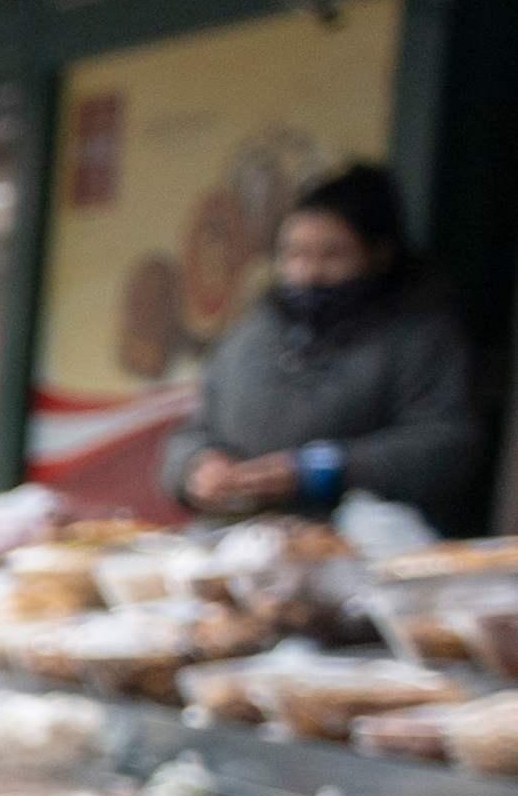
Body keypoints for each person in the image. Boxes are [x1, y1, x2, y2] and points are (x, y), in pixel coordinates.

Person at [166, 162, 490, 536]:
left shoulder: (418, 336)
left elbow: (445, 445)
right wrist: (196, 468)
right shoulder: (252, 332)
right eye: (294, 255)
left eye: (332, 255)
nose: (309, 273)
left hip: (357, 547)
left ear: (379, 254)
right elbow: (191, 431)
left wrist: (322, 471)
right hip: (233, 539)